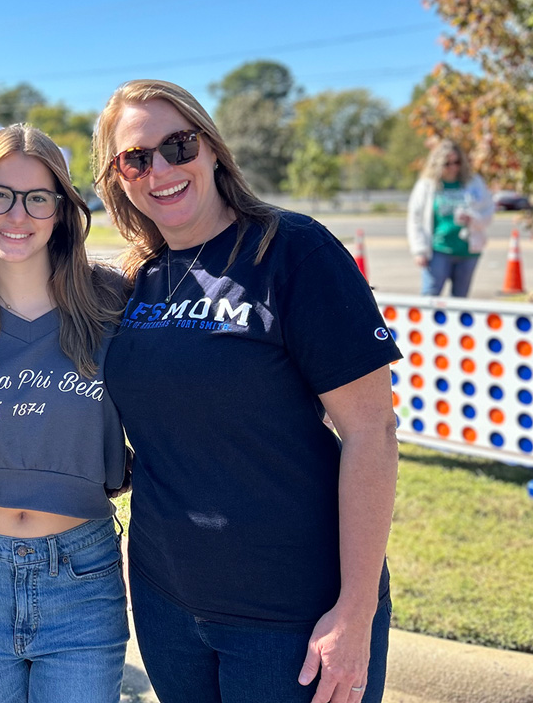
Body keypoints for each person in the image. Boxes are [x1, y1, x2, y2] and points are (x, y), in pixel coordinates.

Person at [92, 80, 402, 703]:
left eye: (178, 145)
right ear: (118, 177)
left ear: (211, 149)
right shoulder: (139, 277)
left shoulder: (291, 250)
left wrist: (355, 612)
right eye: (137, 158)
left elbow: (372, 431)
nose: (161, 170)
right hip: (167, 605)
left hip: (292, 615)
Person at [0, 123, 131, 703]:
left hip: (83, 576)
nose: (17, 215)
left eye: (38, 197)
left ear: (64, 210)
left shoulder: (111, 303)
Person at [407, 139, 494, 298]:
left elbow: (488, 210)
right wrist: (419, 250)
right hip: (438, 249)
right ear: (438, 164)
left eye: (457, 162)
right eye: (447, 163)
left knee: (460, 300)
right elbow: (415, 219)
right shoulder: (427, 185)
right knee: (430, 296)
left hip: (467, 250)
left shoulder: (473, 182)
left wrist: (473, 219)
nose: (453, 167)